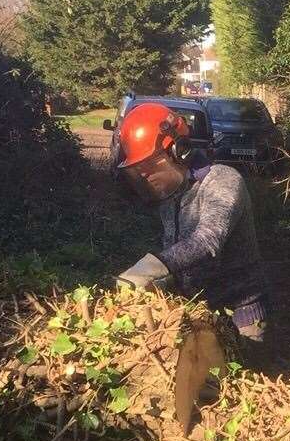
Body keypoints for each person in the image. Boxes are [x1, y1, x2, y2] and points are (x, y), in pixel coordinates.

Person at [114, 102, 270, 354]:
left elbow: (208, 241)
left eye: (150, 167)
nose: (146, 177)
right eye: (138, 172)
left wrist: (153, 266)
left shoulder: (223, 181)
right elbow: (180, 256)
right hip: (200, 315)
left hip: (241, 316)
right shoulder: (170, 196)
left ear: (179, 151)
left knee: (236, 386)